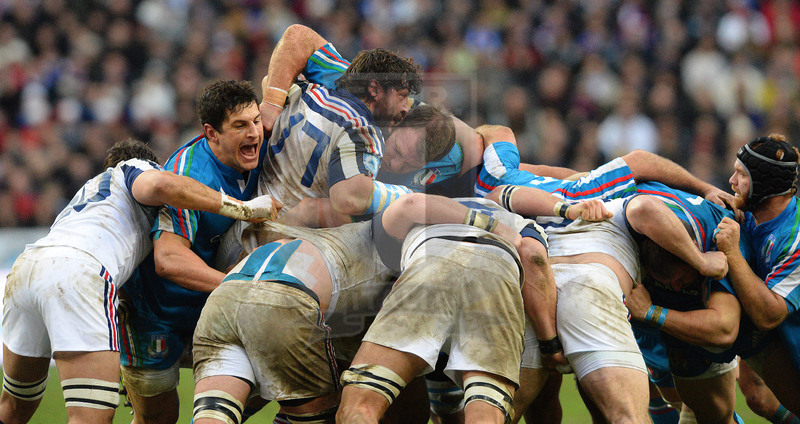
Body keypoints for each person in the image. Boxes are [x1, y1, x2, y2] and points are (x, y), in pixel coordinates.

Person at [0, 139, 276, 424]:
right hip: (79, 272)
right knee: (90, 417)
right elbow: (160, 186)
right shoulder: (133, 167)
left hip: (26, 269)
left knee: (14, 407)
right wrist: (240, 207)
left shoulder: (87, 194)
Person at [118, 80, 272, 424]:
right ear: (211, 133)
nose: (254, 133)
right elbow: (169, 259)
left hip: (208, 306)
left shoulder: (257, 151)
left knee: (273, 370)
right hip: (155, 314)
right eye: (240, 126)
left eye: (256, 121)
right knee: (158, 419)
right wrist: (240, 287)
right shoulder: (187, 175)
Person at [715, 134, 800, 413]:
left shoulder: (795, 238)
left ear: (764, 183)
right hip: (785, 341)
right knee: (755, 396)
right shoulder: (754, 216)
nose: (731, 181)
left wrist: (732, 253)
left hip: (781, 328)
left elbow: (768, 314)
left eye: (741, 174)